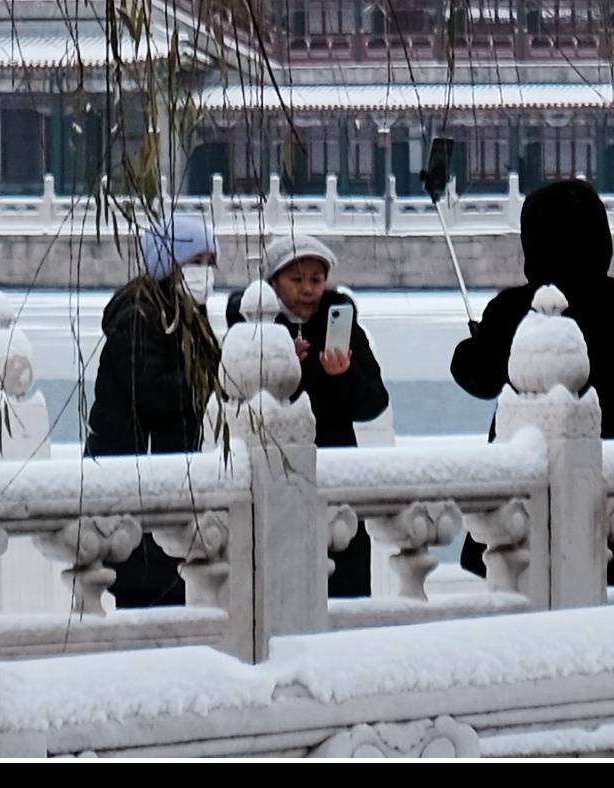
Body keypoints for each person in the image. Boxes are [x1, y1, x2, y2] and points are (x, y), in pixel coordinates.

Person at [449, 176, 614, 585]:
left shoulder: (515, 308)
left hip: (518, 493)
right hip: (602, 485)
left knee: (513, 594)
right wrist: (611, 438)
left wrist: (476, 343)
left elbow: (475, 376)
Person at [234, 229, 389, 598]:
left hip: (336, 466)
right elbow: (238, 404)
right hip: (276, 472)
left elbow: (374, 402)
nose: (307, 290)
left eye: (316, 280)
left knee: (345, 581)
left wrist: (344, 374)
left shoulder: (344, 328)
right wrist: (284, 369)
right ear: (273, 283)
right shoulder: (253, 333)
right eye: (296, 279)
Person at [82, 205, 223, 607]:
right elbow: (151, 392)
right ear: (170, 264)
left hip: (169, 467)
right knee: (145, 585)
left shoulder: (188, 314)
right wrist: (209, 379)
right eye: (197, 260)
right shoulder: (141, 315)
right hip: (136, 468)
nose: (206, 271)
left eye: (211, 261)